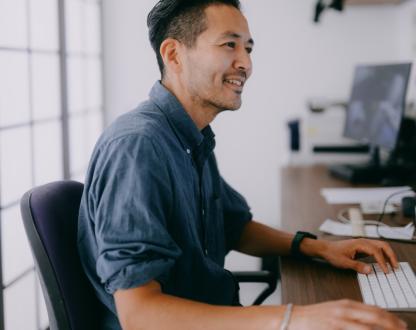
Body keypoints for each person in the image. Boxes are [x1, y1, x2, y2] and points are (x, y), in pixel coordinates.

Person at [77, 1, 407, 329]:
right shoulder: (138, 147)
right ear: (174, 55)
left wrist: (320, 248)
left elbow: (232, 225)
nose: (246, 63)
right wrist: (294, 317)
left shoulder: (192, 136)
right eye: (229, 45)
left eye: (248, 48)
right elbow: (140, 315)